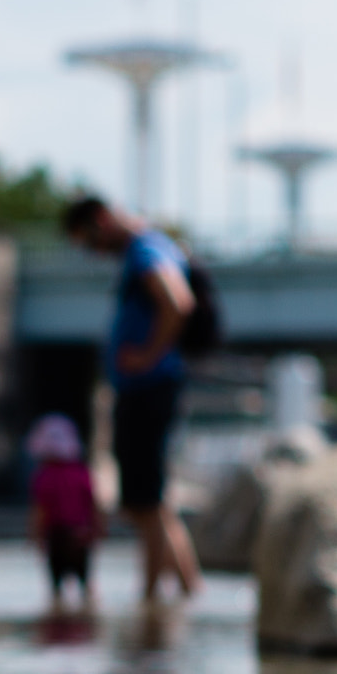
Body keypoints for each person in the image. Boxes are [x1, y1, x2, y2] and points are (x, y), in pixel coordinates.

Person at [61, 193, 203, 601]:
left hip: (148, 389)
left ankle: (150, 600)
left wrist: (146, 356)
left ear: (101, 221)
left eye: (88, 242)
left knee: (145, 500)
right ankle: (188, 591)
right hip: (148, 388)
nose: (93, 252)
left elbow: (177, 303)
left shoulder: (145, 251)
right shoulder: (150, 248)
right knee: (151, 501)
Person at [25, 413, 100, 614]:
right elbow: (94, 505)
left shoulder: (44, 476)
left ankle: (57, 619)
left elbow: (40, 511)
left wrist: (35, 537)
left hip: (57, 537)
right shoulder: (82, 472)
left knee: (55, 591)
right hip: (80, 536)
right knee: (86, 588)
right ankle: (87, 618)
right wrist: (98, 530)